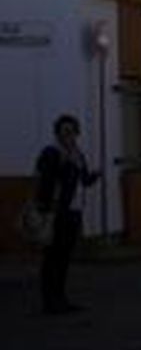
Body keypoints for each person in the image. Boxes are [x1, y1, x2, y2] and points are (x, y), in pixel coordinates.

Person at [33, 113, 101, 314]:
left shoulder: (77, 154)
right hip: (57, 214)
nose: (69, 135)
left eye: (72, 131)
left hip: (74, 212)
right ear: (58, 133)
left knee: (64, 257)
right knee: (52, 258)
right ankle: (49, 301)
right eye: (65, 131)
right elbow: (45, 183)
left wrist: (93, 176)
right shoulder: (52, 153)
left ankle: (61, 299)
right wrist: (46, 211)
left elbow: (84, 180)